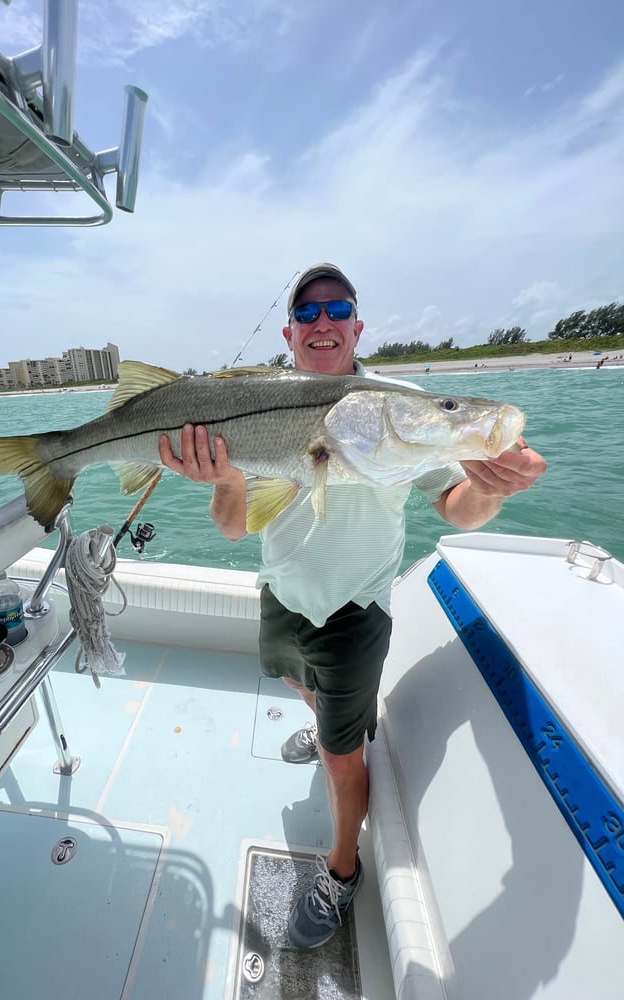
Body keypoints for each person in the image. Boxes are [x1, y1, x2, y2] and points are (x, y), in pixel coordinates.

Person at [158, 263, 547, 949]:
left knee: (343, 759)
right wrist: (223, 479)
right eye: (307, 314)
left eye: (335, 309)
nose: (322, 322)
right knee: (290, 679)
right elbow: (231, 526)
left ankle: (341, 871)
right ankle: (324, 718)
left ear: (357, 326)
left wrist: (494, 491)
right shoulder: (257, 407)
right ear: (290, 334)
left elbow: (456, 506)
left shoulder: (399, 409)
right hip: (283, 591)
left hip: (353, 611)